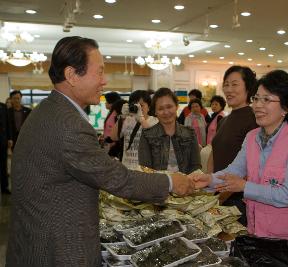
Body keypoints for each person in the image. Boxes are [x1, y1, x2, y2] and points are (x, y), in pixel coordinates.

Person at [6, 36, 194, 266]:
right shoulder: (68, 124)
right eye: (100, 72)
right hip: (59, 248)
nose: (105, 81)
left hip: (37, 240)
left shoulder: (49, 110)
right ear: (72, 75)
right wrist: (171, 182)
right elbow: (117, 179)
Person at [191, 70, 288, 263]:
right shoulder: (252, 137)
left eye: (266, 100)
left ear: (286, 107)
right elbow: (234, 171)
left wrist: (244, 187)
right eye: (256, 98)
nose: (257, 105)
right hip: (257, 233)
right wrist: (209, 179)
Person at [208, 65, 258, 225]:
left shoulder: (254, 119)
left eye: (235, 84)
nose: (229, 89)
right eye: (226, 84)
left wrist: (220, 198)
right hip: (218, 194)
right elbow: (214, 152)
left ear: (248, 88)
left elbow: (250, 166)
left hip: (237, 199)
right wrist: (209, 186)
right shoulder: (225, 119)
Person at [139, 87, 201, 174]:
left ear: (176, 106)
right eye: (160, 109)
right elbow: (145, 169)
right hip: (158, 185)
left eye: (169, 106)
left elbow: (196, 167)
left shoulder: (190, 133)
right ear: (155, 112)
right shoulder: (147, 135)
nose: (166, 112)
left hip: (186, 184)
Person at [110, 90, 158, 169]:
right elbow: (113, 137)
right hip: (127, 167)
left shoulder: (154, 121)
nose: (138, 108)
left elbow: (153, 141)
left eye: (141, 106)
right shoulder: (127, 120)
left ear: (149, 107)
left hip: (145, 169)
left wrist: (141, 119)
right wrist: (122, 117)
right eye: (135, 105)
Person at [0, 102, 11, 194]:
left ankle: (4, 187)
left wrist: (10, 138)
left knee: (3, 166)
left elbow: (8, 123)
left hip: (2, 141)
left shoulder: (3, 106)